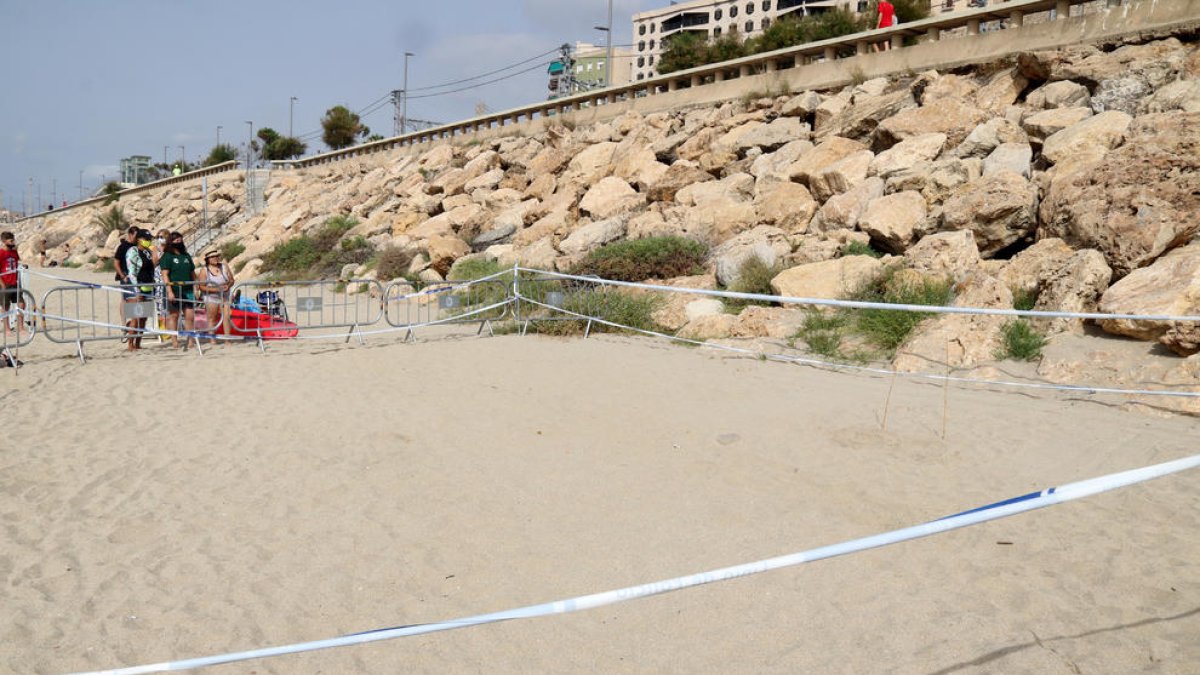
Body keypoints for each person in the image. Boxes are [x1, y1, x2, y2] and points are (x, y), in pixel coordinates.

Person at [158, 231, 198, 349]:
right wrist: (169, 291)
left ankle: (190, 340)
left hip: (188, 291)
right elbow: (165, 275)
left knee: (190, 316)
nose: (178, 242)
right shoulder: (167, 256)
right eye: (176, 240)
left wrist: (196, 288)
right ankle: (174, 341)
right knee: (174, 316)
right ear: (171, 241)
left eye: (180, 239)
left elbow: (192, 273)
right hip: (174, 290)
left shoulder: (186, 256)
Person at [123, 230, 156, 351]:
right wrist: (137, 290)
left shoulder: (148, 252)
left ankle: (138, 343)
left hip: (148, 286)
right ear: (139, 239)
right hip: (136, 286)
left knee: (143, 318)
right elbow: (131, 272)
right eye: (146, 239)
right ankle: (130, 344)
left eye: (149, 239)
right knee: (135, 317)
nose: (149, 241)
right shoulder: (132, 251)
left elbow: (153, 265)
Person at [199, 248, 235, 342]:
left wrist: (228, 285)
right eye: (212, 257)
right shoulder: (204, 270)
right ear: (208, 259)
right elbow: (201, 287)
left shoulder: (224, 266)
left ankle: (227, 339)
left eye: (216, 256)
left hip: (225, 296)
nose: (215, 258)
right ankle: (212, 340)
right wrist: (216, 289)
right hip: (211, 297)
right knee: (212, 318)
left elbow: (231, 280)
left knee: (227, 317)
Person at [0, 231, 24, 339]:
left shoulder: (14, 252)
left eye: (13, 240)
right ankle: (7, 329)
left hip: (15, 283)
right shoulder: (0, 253)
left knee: (21, 304)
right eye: (11, 240)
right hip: (5, 283)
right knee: (5, 307)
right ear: (4, 241)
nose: (13, 242)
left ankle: (21, 327)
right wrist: (2, 284)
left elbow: (17, 263)